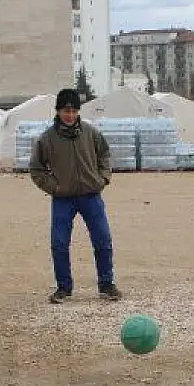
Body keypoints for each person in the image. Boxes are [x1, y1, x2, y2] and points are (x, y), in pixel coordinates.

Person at [29, 88, 122, 304]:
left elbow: (105, 155)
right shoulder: (47, 140)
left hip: (91, 196)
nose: (69, 115)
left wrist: (103, 178)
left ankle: (106, 284)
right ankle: (64, 288)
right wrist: (55, 187)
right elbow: (36, 169)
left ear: (78, 111)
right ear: (58, 111)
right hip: (63, 199)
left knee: (103, 239)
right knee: (59, 243)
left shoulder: (91, 133)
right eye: (65, 110)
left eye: (73, 111)